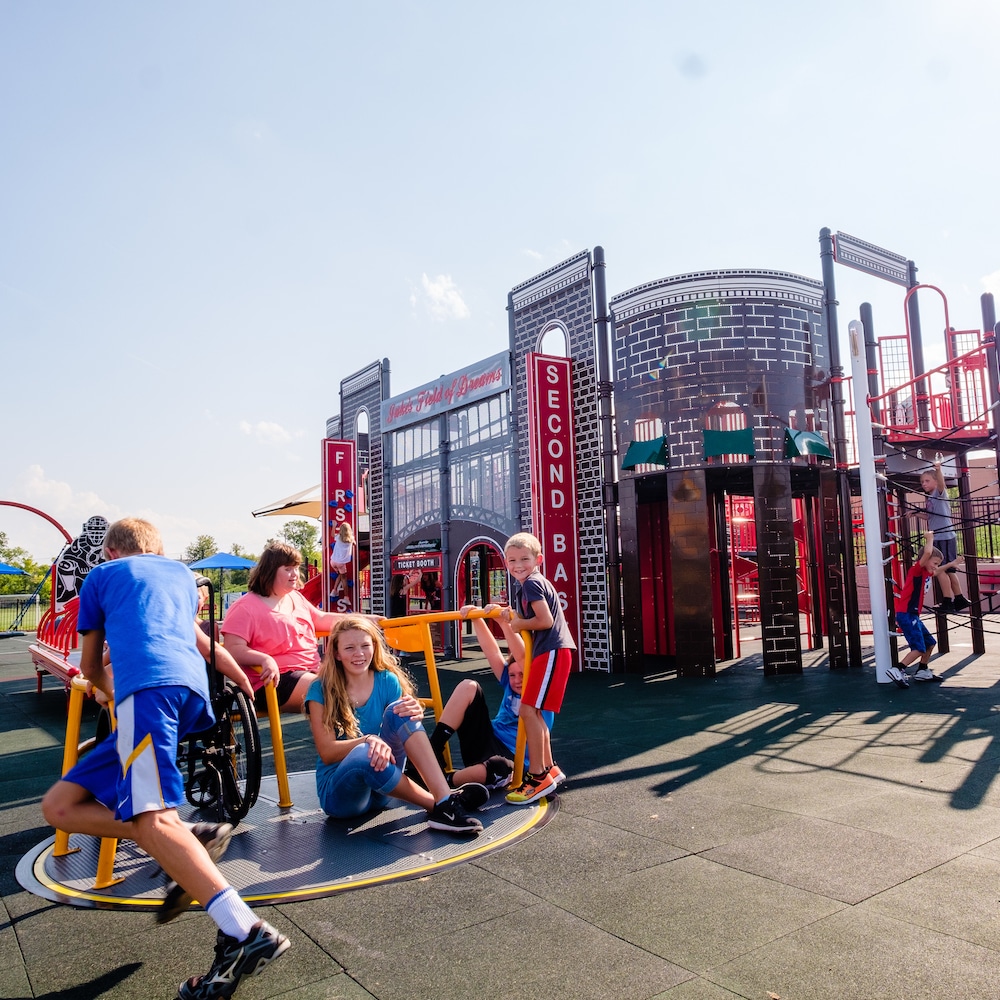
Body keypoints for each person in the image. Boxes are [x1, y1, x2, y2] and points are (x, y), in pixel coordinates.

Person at [40, 519, 289, 1000]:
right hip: (188, 696)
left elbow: (90, 667)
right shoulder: (179, 576)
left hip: (145, 695)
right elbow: (203, 642)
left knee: (154, 822)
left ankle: (245, 930)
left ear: (111, 551)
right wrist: (241, 679)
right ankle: (188, 837)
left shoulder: (101, 577)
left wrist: (110, 694)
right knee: (61, 808)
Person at [304, 615, 488, 834]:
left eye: (365, 645)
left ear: (374, 646)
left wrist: (413, 711)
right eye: (350, 648)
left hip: (380, 790)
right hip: (342, 798)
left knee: (400, 710)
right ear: (336, 653)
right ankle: (437, 805)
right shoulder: (320, 690)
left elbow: (403, 725)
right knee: (365, 751)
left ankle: (445, 798)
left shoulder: (386, 680)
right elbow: (326, 752)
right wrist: (368, 739)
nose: (359, 654)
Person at [425, 604, 554, 792]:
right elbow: (492, 651)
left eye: (522, 675)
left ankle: (445, 779)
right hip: (487, 739)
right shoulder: (509, 684)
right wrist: (476, 617)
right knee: (468, 686)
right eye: (512, 675)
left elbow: (525, 659)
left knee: (499, 767)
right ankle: (432, 752)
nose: (517, 680)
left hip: (510, 757)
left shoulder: (541, 691)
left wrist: (504, 623)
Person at [220, 541, 341, 713]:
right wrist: (264, 659)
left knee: (364, 682)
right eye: (288, 569)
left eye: (296, 568)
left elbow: (322, 619)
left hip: (310, 671)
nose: (295, 574)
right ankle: (333, 740)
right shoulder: (245, 607)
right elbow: (233, 648)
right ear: (270, 571)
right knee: (331, 690)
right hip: (273, 680)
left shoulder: (295, 598)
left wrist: (366, 621)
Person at [501, 531, 576, 804]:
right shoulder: (529, 585)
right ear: (505, 562)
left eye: (524, 559)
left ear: (538, 559)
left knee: (527, 710)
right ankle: (549, 768)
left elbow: (543, 620)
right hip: (553, 652)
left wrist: (518, 624)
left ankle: (538, 774)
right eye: (512, 560)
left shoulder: (532, 583)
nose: (518, 565)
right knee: (535, 712)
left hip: (551, 651)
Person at [888, 531, 945, 688]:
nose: (935, 566)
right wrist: (930, 538)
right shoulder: (917, 570)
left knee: (929, 643)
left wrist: (952, 564)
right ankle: (898, 669)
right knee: (919, 648)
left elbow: (936, 571)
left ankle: (922, 670)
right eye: (934, 562)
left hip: (912, 615)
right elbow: (927, 552)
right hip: (906, 614)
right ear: (924, 560)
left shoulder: (926, 572)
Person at [919, 462, 968, 612]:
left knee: (939, 569)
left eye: (927, 481)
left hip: (944, 536)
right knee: (949, 569)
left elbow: (942, 484)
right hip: (941, 536)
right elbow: (929, 517)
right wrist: (914, 513)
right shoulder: (930, 499)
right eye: (922, 482)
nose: (924, 484)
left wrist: (938, 470)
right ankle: (959, 598)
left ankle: (947, 601)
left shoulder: (939, 493)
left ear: (935, 481)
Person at [330, 523, 355, 595]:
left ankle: (334, 591)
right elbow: (354, 544)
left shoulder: (338, 537)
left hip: (333, 561)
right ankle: (346, 596)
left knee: (341, 575)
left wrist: (334, 526)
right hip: (340, 563)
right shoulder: (351, 539)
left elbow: (332, 535)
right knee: (344, 579)